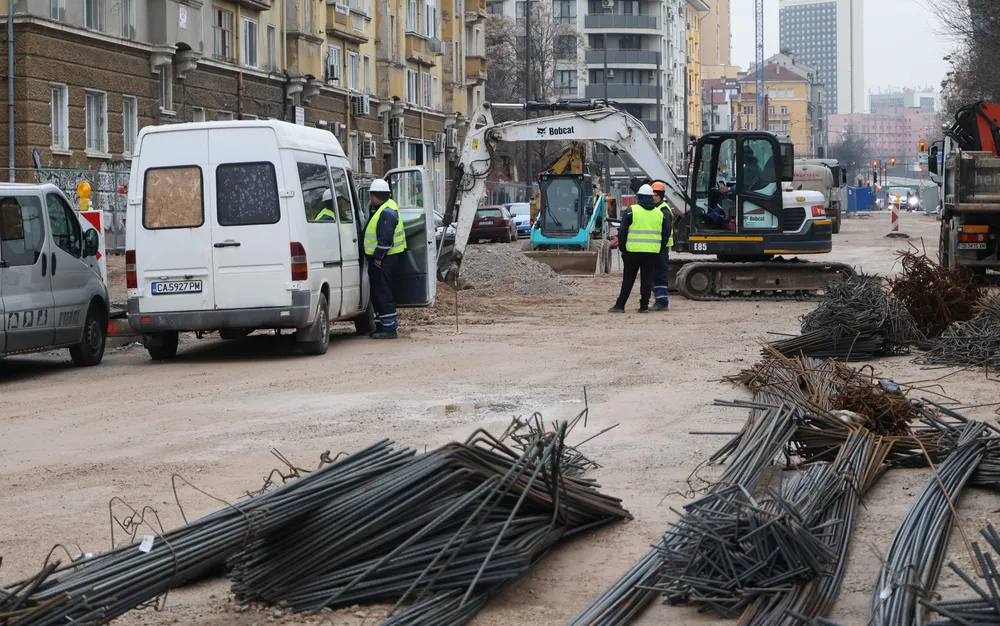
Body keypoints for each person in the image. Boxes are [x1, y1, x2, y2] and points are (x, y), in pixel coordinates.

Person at [609, 184, 671, 314]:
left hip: (632, 252)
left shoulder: (632, 210)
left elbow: (622, 232)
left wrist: (623, 249)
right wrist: (658, 248)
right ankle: (644, 306)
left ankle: (620, 306)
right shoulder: (660, 213)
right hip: (652, 252)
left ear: (639, 196)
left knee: (628, 279)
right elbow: (665, 235)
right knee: (647, 280)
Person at [364, 179, 407, 339]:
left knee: (383, 293)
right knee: (379, 292)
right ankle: (382, 325)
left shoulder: (386, 211)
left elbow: (385, 240)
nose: (370, 198)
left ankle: (389, 328)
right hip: (385, 259)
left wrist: (377, 258)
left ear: (375, 196)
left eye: (371, 195)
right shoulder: (384, 208)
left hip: (384, 259)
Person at [650, 181, 678, 311]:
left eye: (656, 195)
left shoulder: (664, 210)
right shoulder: (657, 209)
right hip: (657, 247)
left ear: (661, 196)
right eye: (652, 195)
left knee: (660, 274)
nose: (654, 197)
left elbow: (665, 233)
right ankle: (659, 300)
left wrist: (658, 247)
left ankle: (662, 302)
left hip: (661, 248)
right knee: (656, 274)